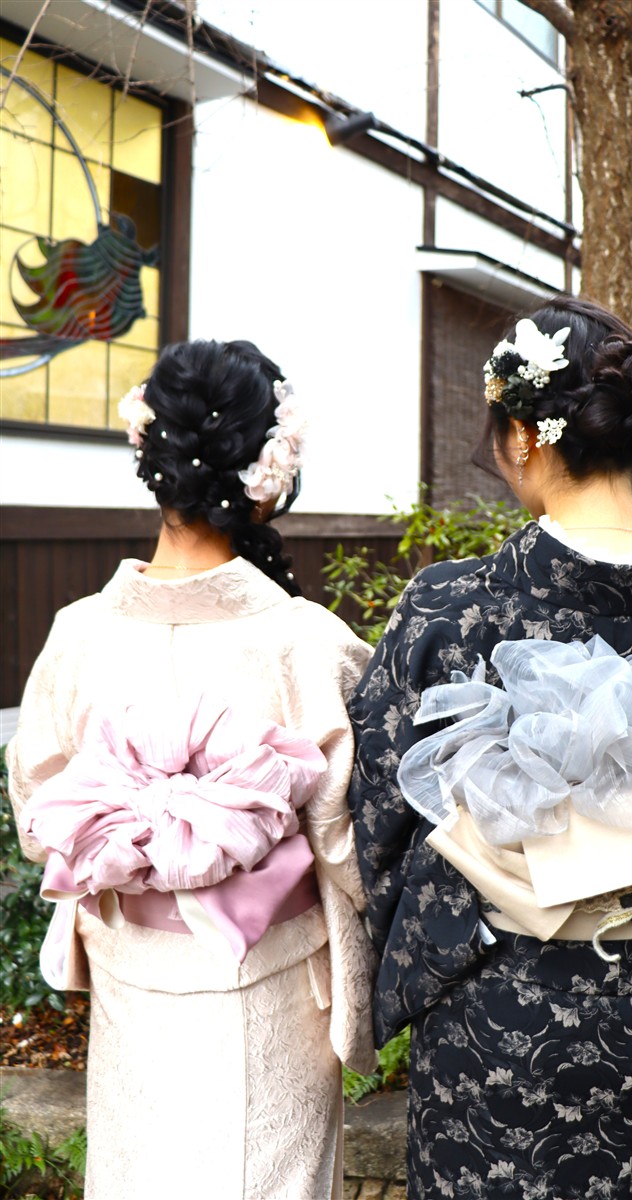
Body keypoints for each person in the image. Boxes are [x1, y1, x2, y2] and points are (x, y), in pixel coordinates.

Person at [346, 295, 632, 1200]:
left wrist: (443, 941)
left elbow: (383, 822)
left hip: (484, 1018)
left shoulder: (448, 611)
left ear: (523, 436)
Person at [7, 339, 376, 1200]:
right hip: (273, 979)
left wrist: (140, 848)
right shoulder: (306, 642)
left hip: (132, 970)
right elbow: (350, 849)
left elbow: (42, 819)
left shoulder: (78, 634)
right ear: (267, 477)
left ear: (152, 459)